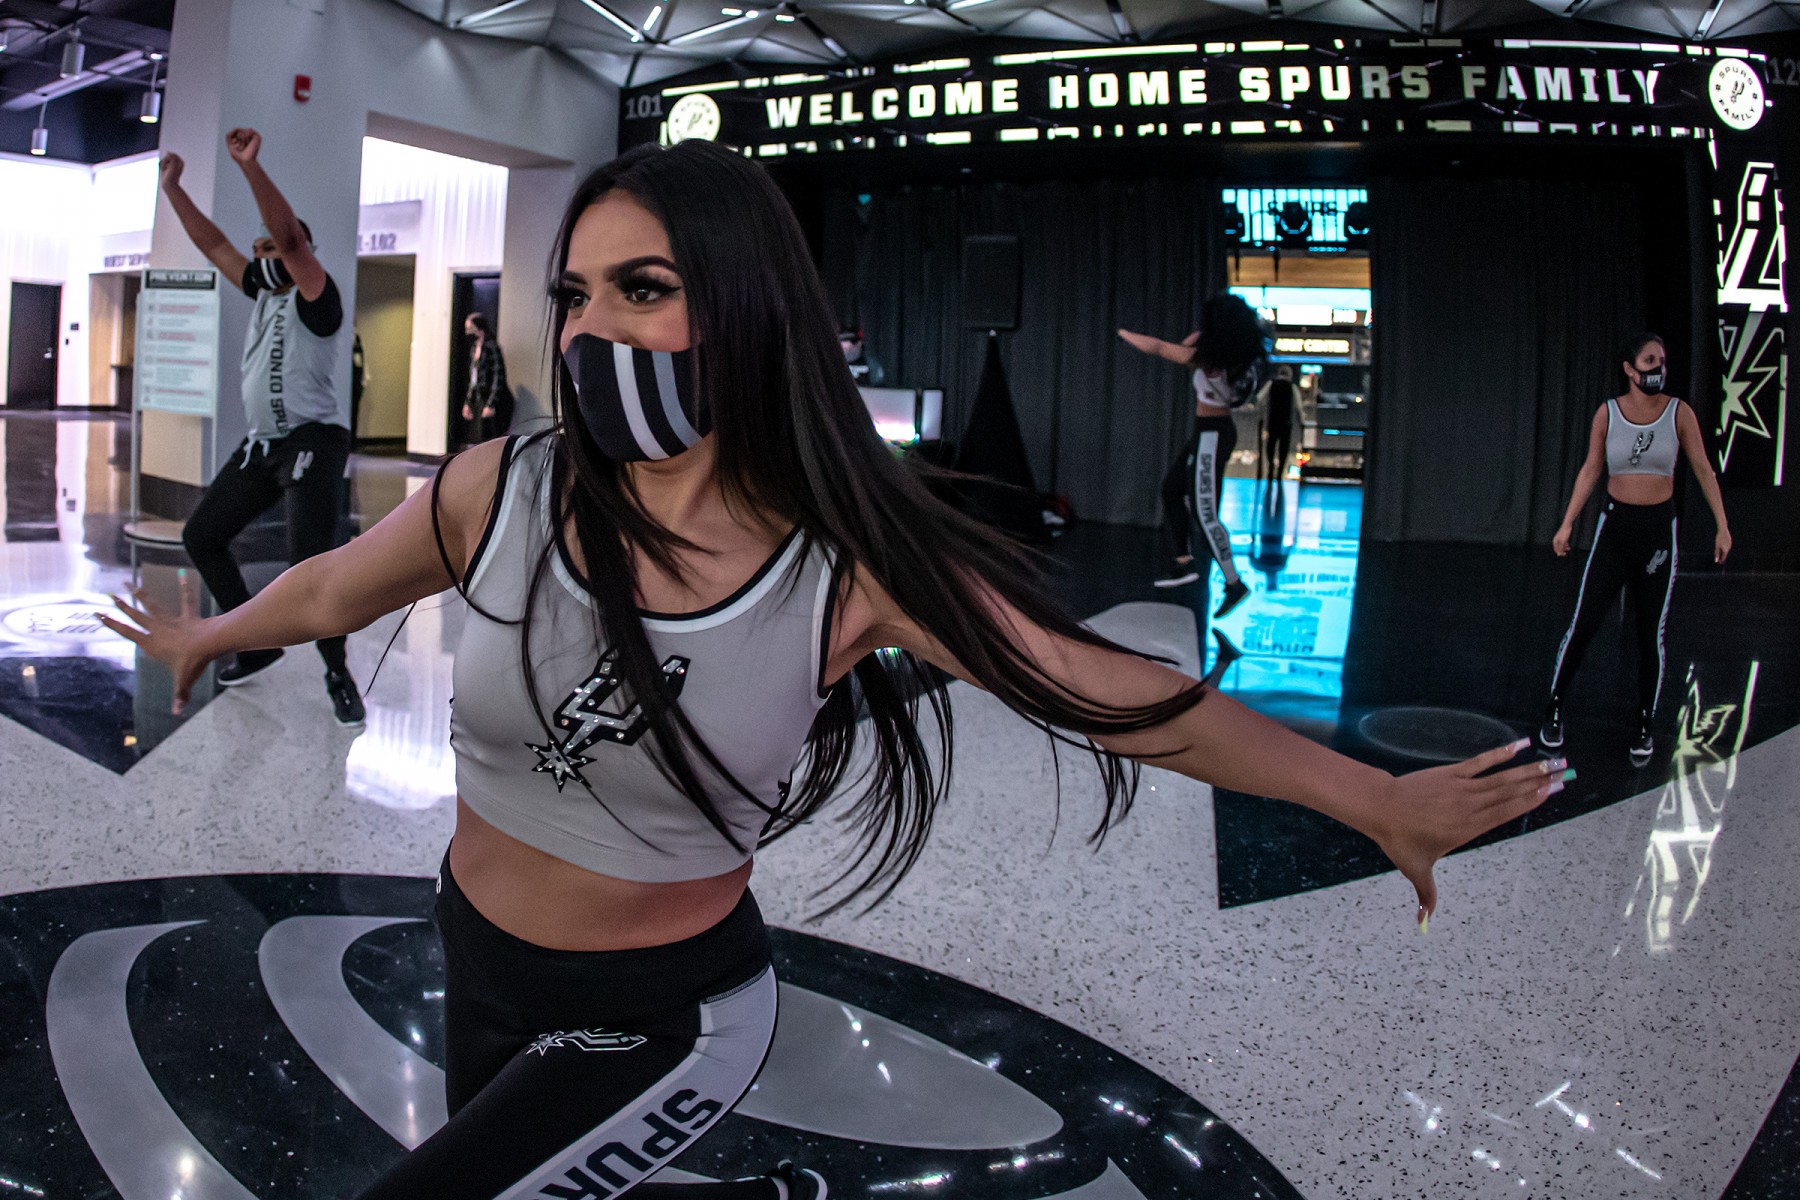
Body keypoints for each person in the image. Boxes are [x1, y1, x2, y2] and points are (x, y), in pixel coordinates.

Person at [105, 141, 1565, 1200]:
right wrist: (210, 634)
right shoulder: (507, 485)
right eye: (577, 292)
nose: (594, 326)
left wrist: (1371, 801)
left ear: (744, 309)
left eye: (643, 288)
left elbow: (1109, 690)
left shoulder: (841, 566)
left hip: (659, 1020)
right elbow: (333, 583)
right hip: (472, 953)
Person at [158, 127, 364, 726]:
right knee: (202, 536)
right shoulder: (264, 292)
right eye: (259, 250)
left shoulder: (318, 298)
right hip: (264, 445)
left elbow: (291, 239)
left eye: (270, 248)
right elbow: (214, 243)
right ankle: (255, 644)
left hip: (314, 440)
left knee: (310, 566)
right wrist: (174, 191)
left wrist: (250, 167)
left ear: (299, 253)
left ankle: (337, 672)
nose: (261, 256)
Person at [1540, 333, 1731, 766]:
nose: (1658, 368)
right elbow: (1591, 468)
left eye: (1661, 360)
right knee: (1584, 623)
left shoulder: (1679, 412)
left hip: (1657, 534)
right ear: (1629, 369)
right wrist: (1567, 522)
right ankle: (1554, 707)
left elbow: (1703, 468)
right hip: (1615, 530)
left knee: (1650, 635)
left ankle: (1645, 723)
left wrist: (1722, 525)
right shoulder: (1608, 413)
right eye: (1648, 361)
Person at [1119, 294, 1268, 617]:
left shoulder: (1213, 360)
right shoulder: (1227, 354)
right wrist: (1206, 334)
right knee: (1172, 489)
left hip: (1212, 434)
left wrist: (1122, 332)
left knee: (1205, 513)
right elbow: (1187, 343)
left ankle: (1234, 583)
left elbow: (1160, 348)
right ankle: (1184, 562)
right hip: (1209, 432)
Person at [462, 312, 512, 445]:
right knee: (478, 437)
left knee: (491, 437)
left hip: (495, 399)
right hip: (481, 397)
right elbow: (473, 379)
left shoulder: (491, 347)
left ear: (480, 329)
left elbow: (498, 376)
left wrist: (491, 404)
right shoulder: (474, 348)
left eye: (470, 328)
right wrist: (468, 402)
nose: (468, 332)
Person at [1264, 364, 1296, 480]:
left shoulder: (1271, 384)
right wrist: (1302, 420)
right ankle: (1280, 473)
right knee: (1284, 448)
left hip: (1273, 421)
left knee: (1271, 446)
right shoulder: (1292, 387)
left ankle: (1270, 468)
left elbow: (1262, 399)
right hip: (1286, 423)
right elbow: (1298, 406)